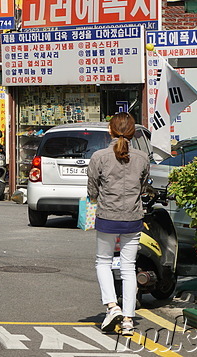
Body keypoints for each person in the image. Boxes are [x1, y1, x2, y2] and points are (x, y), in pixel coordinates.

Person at [86, 112, 149, 337]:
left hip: (107, 217)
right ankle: (129, 321)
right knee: (128, 266)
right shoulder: (142, 157)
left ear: (110, 130)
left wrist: (96, 198)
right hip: (133, 218)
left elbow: (92, 189)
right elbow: (142, 187)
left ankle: (112, 307)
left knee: (103, 262)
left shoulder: (99, 156)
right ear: (132, 132)